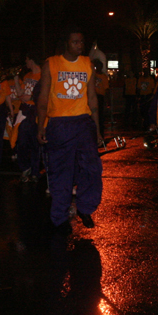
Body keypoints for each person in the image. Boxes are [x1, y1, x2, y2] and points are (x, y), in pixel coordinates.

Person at [37, 28, 103, 233]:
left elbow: (92, 98)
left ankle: (85, 207)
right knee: (61, 172)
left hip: (83, 122)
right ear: (66, 44)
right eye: (75, 42)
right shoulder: (52, 63)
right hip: (59, 124)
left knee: (93, 168)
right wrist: (41, 126)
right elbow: (43, 98)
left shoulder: (87, 64)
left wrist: (98, 130)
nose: (79, 45)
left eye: (81, 42)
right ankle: (59, 217)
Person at [14, 53, 42, 182]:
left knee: (35, 142)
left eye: (27, 59)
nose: (26, 63)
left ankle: (35, 171)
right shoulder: (27, 76)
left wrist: (31, 97)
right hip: (25, 110)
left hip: (36, 110)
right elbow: (20, 94)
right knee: (22, 141)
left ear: (32, 60)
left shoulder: (43, 75)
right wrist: (15, 79)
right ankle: (26, 167)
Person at [93, 59, 110, 140]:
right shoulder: (93, 75)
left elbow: (106, 89)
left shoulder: (104, 77)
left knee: (100, 116)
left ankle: (100, 135)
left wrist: (107, 101)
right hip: (93, 96)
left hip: (100, 97)